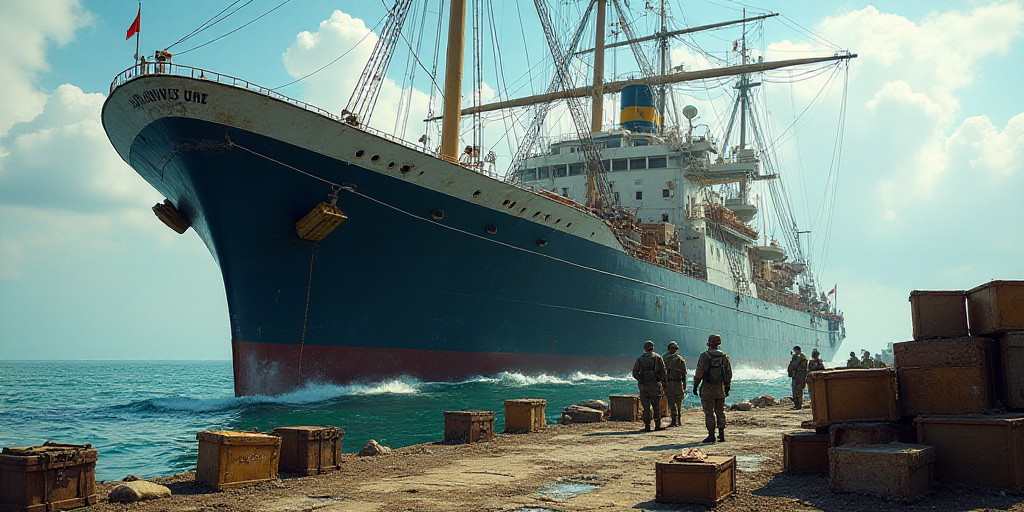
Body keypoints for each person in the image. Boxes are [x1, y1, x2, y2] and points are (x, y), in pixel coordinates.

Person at [693, 334, 732, 443]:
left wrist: (695, 386)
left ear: (708, 343)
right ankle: (721, 434)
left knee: (709, 412)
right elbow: (728, 373)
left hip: (707, 388)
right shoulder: (724, 356)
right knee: (720, 411)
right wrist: (727, 387)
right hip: (720, 388)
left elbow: (699, 373)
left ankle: (711, 435)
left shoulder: (705, 356)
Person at [632, 340, 667, 432]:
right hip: (655, 385)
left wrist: (640, 380)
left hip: (644, 386)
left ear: (644, 349)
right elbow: (664, 372)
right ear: (653, 348)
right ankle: (657, 425)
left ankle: (647, 426)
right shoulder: (658, 358)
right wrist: (662, 381)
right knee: (656, 406)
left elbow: (634, 372)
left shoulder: (640, 359)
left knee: (646, 407)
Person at [662, 341, 687, 427]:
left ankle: (675, 419)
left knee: (672, 402)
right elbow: (684, 373)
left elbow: (661, 372)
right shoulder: (680, 359)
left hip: (671, 382)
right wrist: (684, 384)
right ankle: (677, 419)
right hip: (676, 382)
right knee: (677, 402)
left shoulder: (664, 358)